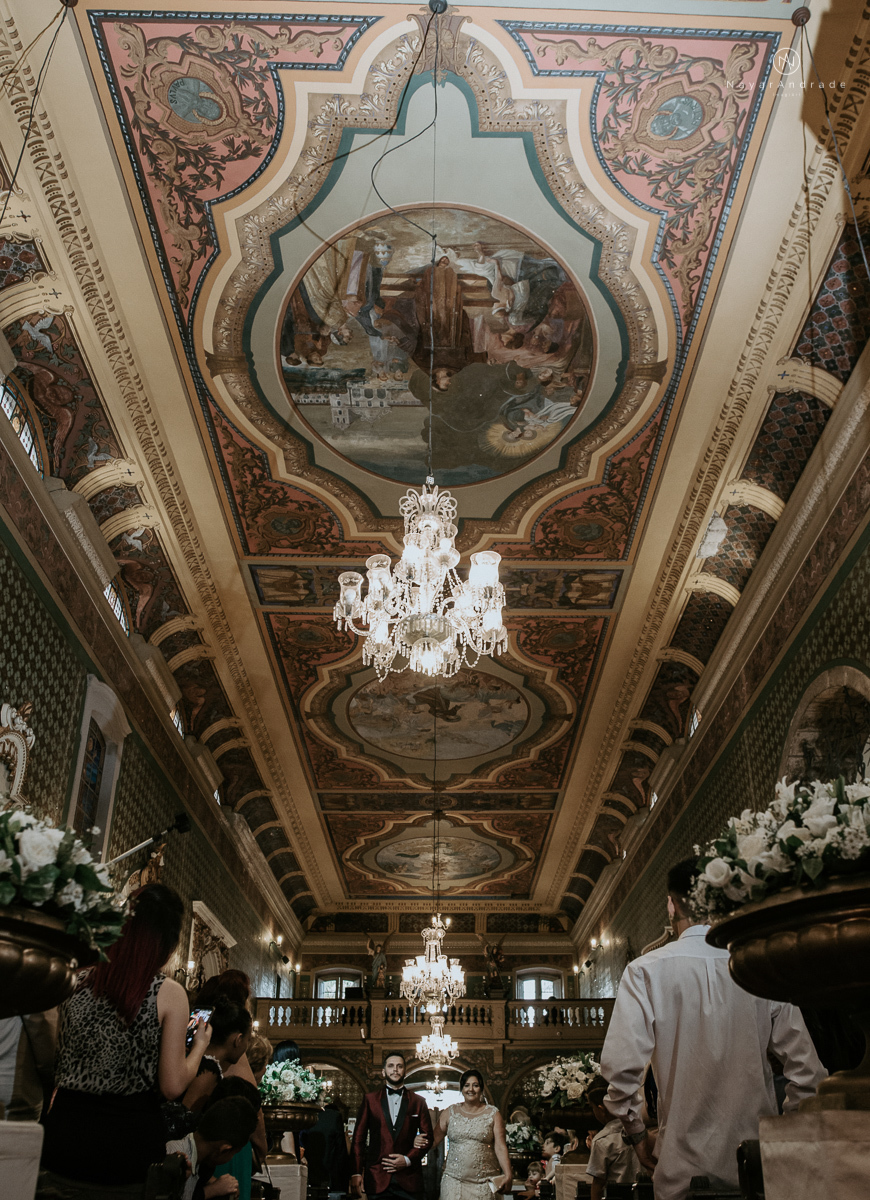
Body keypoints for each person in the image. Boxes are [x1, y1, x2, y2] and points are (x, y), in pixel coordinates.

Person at [599, 858, 827, 1200]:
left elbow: (621, 1072)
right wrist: (779, 1141)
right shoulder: (758, 965)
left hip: (681, 1173)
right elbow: (809, 1075)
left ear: (671, 904)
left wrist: (635, 1135)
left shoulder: (645, 972)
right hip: (756, 1169)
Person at [38, 883, 212, 1197]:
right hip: (125, 1148)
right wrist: (198, 1047)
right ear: (168, 942)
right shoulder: (168, 992)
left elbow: (52, 1058)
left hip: (63, 1135)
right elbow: (172, 1085)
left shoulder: (74, 980)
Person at [350, 1051, 433, 1200]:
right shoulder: (370, 1100)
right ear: (383, 1071)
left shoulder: (418, 1102)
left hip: (409, 1179)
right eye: (391, 1066)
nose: (395, 1069)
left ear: (405, 1071)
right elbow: (358, 1140)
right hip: (377, 1177)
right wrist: (356, 1172)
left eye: (399, 1066)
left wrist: (407, 1160)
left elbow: (428, 1138)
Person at [423, 1068, 512, 1200]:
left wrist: (508, 1174)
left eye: (475, 1085)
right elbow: (433, 1141)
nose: (471, 1089)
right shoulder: (450, 1112)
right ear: (462, 1089)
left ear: (481, 1089)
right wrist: (413, 1145)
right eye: (467, 1085)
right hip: (453, 1181)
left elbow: (500, 1146)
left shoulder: (493, 1114)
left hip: (484, 1183)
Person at [166, 1094, 258, 1200]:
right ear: (225, 1149)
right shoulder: (175, 1155)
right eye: (234, 1153)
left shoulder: (200, 1161)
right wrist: (212, 1190)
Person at [584, 1079, 638, 1200]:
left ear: (601, 1109)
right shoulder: (639, 1127)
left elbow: (598, 1184)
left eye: (593, 1108)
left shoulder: (602, 1140)